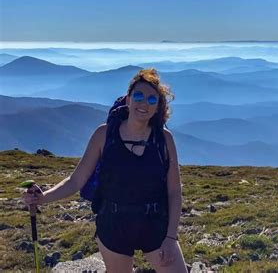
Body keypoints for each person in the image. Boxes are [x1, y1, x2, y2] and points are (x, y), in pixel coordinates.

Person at [22, 69, 188, 273]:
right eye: (138, 95)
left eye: (152, 99)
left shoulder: (164, 139)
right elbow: (76, 181)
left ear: (158, 107)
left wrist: (170, 237)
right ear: (128, 99)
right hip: (114, 223)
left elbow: (174, 191)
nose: (143, 103)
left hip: (155, 222)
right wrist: (42, 198)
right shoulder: (104, 134)